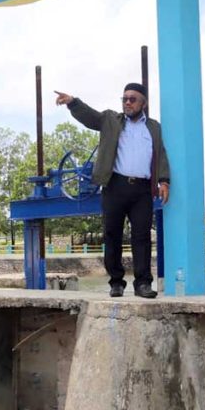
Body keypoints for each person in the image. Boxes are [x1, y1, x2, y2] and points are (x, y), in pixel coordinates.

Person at [55, 83, 170, 299]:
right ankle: (116, 282)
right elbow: (90, 118)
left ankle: (143, 283)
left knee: (142, 237)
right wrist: (73, 102)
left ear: (143, 103)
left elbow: (160, 154)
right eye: (124, 98)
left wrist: (164, 181)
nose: (127, 102)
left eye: (132, 99)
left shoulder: (154, 128)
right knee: (112, 235)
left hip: (143, 189)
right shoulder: (110, 120)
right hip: (115, 186)